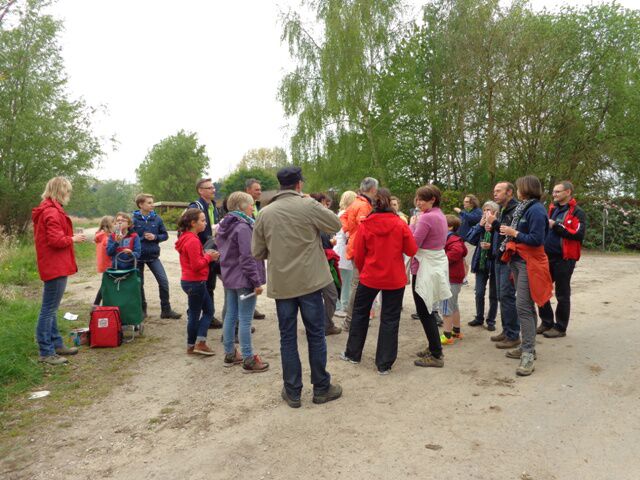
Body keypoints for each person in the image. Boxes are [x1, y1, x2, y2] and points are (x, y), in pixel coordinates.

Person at [252, 166, 343, 408]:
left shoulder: (265, 213)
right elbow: (335, 224)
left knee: (288, 337)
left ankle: (292, 391)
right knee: (316, 335)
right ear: (299, 184)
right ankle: (321, 388)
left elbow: (257, 251)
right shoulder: (308, 205)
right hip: (310, 281)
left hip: (283, 285)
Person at [341, 188, 418, 374]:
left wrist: (365, 269)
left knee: (360, 313)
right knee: (390, 319)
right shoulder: (400, 224)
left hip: (370, 276)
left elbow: (359, 254)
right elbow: (411, 250)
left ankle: (353, 354)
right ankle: (384, 363)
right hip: (394, 277)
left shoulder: (366, 225)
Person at [499, 175, 552, 376]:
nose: (517, 190)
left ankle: (528, 353)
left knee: (523, 306)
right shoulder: (524, 207)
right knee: (526, 306)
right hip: (519, 259)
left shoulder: (536, 209)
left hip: (529, 262)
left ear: (527, 189)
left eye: (519, 187)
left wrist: (514, 233)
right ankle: (527, 346)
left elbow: (537, 239)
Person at [32, 177, 86, 365]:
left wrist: (70, 237)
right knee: (48, 310)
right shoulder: (52, 212)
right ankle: (46, 352)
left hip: (52, 263)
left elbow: (54, 237)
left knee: (52, 308)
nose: (69, 195)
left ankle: (56, 344)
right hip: (55, 265)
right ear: (60, 191)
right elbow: (56, 241)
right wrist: (72, 239)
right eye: (67, 191)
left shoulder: (48, 210)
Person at [216, 192, 269, 372]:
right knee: (245, 320)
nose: (253, 208)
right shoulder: (243, 227)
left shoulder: (224, 225)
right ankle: (248, 358)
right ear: (241, 206)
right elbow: (247, 257)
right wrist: (256, 282)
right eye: (251, 204)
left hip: (230, 277)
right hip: (244, 279)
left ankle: (230, 353)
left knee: (231, 316)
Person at [537, 181, 586, 338]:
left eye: (557, 191)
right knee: (541, 289)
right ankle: (546, 322)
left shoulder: (577, 212)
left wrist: (556, 226)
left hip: (565, 259)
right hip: (547, 256)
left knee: (562, 294)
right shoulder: (552, 208)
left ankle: (560, 328)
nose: (554, 194)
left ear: (568, 192)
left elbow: (578, 234)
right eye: (554, 191)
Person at [410, 185, 450, 368]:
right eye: (417, 199)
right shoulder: (439, 214)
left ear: (433, 199)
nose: (419, 202)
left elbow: (413, 244)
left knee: (424, 311)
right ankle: (434, 346)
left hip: (424, 268)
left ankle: (436, 353)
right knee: (427, 309)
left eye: (422, 199)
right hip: (433, 264)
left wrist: (412, 225)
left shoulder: (426, 218)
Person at [175, 208, 220, 355]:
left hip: (190, 281)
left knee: (204, 311)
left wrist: (204, 254)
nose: (205, 223)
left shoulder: (186, 237)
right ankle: (198, 343)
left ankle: (194, 344)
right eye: (202, 220)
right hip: (195, 282)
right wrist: (209, 257)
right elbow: (196, 265)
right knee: (201, 313)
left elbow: (192, 259)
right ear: (193, 223)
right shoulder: (193, 240)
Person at [132, 193, 181, 319]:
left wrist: (155, 237)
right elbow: (128, 237)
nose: (152, 205)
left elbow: (165, 235)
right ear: (141, 204)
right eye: (149, 203)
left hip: (153, 256)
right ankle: (142, 310)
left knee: (163, 282)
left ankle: (166, 310)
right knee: (139, 285)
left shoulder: (157, 219)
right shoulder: (132, 220)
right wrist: (141, 238)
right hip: (137, 258)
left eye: (152, 202)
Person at [485, 182, 521, 349]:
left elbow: (512, 232)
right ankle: (507, 331)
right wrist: (492, 227)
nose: (495, 194)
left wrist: (495, 223)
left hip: (509, 259)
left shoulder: (516, 210)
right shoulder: (502, 209)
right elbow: (501, 232)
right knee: (501, 296)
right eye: (494, 191)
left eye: (498, 191)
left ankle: (513, 335)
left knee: (507, 296)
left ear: (509, 192)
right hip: (499, 258)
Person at [341, 177, 378, 331]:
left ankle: (351, 320)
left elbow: (343, 217)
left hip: (354, 246)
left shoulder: (356, 202)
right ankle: (350, 322)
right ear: (373, 190)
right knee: (358, 285)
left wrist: (349, 231)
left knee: (357, 284)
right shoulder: (364, 205)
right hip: (360, 249)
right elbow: (366, 229)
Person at [189, 178, 223, 328]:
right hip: (201, 251)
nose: (213, 190)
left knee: (210, 284)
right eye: (209, 188)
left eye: (213, 187)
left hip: (211, 249)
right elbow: (187, 229)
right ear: (200, 191)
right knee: (201, 284)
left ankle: (208, 316)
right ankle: (198, 316)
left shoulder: (213, 206)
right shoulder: (195, 207)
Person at [310, 193, 342, 335]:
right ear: (322, 202)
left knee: (326, 295)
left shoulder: (318, 219)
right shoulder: (314, 218)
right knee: (330, 294)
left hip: (322, 261)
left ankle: (323, 324)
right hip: (319, 263)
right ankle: (324, 325)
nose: (327, 207)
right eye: (326, 204)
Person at [466, 201, 499, 331]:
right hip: (481, 262)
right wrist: (480, 226)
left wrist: (491, 246)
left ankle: (491, 320)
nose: (486, 213)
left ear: (495, 212)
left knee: (493, 294)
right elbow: (470, 239)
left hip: (494, 263)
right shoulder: (480, 225)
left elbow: (502, 243)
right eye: (484, 210)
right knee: (479, 292)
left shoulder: (498, 225)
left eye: (489, 210)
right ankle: (479, 317)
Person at [439, 215, 468, 345]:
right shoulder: (455, 238)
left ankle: (447, 335)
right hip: (455, 278)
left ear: (450, 227)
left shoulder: (452, 239)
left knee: (446, 306)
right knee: (453, 305)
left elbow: (457, 251)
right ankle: (456, 331)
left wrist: (441, 260)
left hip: (450, 278)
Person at [244, 178, 267, 320]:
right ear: (248, 190)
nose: (259, 192)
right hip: (249, 246)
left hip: (256, 246)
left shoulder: (256, 205)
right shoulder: (244, 207)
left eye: (260, 189)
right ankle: (247, 311)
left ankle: (252, 307)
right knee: (250, 277)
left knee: (256, 276)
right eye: (256, 189)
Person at [333, 190, 357, 317]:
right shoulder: (347, 214)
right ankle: (344, 305)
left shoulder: (339, 213)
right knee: (347, 280)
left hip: (339, 249)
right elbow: (347, 233)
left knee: (340, 280)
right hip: (344, 250)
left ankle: (339, 305)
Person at [455, 194, 482, 281]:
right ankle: (463, 277)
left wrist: (460, 212)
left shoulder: (478, 211)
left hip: (470, 240)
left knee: (467, 260)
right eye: (464, 201)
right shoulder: (465, 211)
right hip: (461, 239)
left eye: (467, 202)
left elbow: (473, 219)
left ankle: (465, 278)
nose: (464, 203)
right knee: (462, 259)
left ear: (472, 202)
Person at [93, 215, 114, 308]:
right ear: (109, 224)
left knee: (106, 283)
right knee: (105, 284)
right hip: (108, 263)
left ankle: (97, 304)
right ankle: (96, 304)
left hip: (103, 263)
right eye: (113, 222)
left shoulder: (100, 234)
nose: (116, 224)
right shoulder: (106, 237)